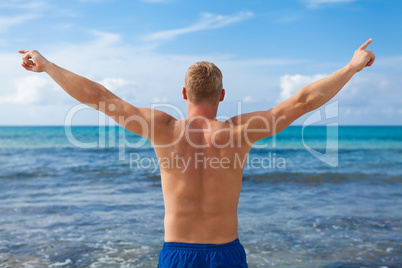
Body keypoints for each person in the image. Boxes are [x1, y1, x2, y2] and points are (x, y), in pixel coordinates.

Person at [19, 38, 375, 267]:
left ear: (185, 94)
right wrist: (351, 67)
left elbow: (99, 98)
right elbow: (304, 101)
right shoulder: (240, 132)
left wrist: (48, 65)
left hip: (177, 254)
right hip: (227, 253)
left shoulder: (163, 129)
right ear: (221, 95)